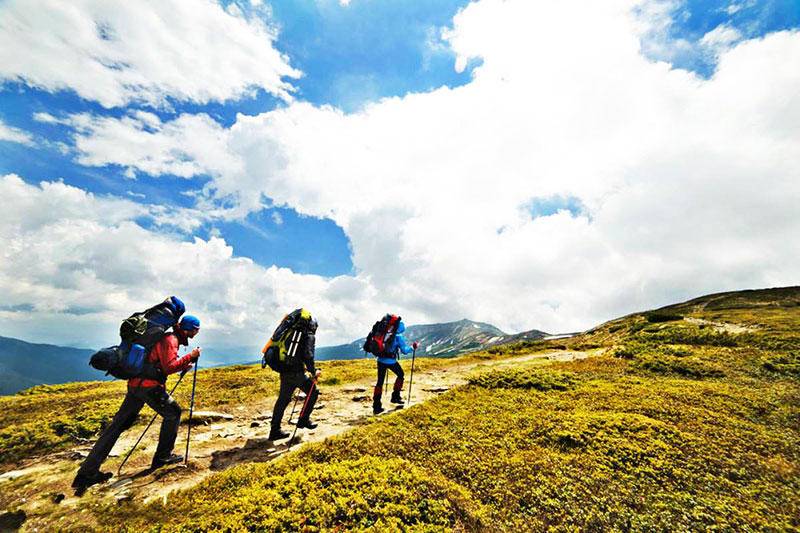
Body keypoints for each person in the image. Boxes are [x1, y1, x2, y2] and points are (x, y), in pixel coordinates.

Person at [72, 315, 202, 491]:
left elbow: (161, 363)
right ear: (189, 329)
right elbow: (168, 367)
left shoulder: (168, 338)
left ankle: (86, 474)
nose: (196, 333)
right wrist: (190, 357)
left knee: (116, 427)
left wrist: (183, 363)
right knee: (173, 413)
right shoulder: (170, 339)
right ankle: (163, 457)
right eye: (196, 329)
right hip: (149, 387)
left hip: (136, 386)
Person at [268, 312, 321, 441]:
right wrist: (314, 372)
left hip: (285, 371)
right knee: (313, 392)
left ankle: (274, 431)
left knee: (283, 400)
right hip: (296, 373)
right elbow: (308, 355)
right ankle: (303, 419)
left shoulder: (291, 331)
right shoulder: (308, 334)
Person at [373, 319, 418, 415]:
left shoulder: (384, 333)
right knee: (401, 374)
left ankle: (376, 406)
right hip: (391, 361)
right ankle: (395, 397)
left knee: (379, 382)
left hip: (380, 360)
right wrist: (412, 347)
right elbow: (405, 351)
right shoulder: (398, 336)